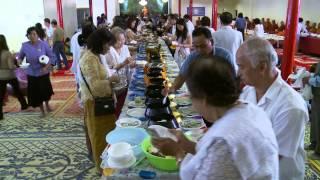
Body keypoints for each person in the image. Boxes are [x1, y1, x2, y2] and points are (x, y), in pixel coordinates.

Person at [153, 55, 279, 179]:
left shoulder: (223, 142)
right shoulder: (252, 110)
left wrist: (178, 153)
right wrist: (188, 145)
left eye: (191, 97)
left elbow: (215, 162)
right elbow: (211, 157)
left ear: (204, 99)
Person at [237, 37, 308, 180]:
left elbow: (270, 156)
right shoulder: (248, 92)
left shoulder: (291, 106)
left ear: (262, 67)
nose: (238, 72)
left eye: (241, 66)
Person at [79, 28, 119, 172]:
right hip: (95, 104)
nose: (109, 48)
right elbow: (95, 87)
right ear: (100, 42)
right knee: (99, 137)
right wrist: (110, 80)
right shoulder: (89, 59)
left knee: (107, 135)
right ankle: (102, 170)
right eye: (108, 44)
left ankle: (108, 163)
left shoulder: (95, 56)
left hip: (102, 102)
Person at [166, 27, 234, 95]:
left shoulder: (225, 56)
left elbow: (232, 81)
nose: (199, 50)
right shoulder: (193, 56)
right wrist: (172, 88)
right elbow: (182, 76)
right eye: (196, 46)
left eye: (203, 46)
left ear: (212, 42)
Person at [18, 27, 55, 117]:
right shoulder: (25, 45)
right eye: (30, 34)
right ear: (27, 36)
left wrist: (46, 67)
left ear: (37, 35)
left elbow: (51, 56)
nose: (32, 36)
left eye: (34, 34)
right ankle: (42, 110)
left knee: (45, 91)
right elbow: (20, 56)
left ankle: (47, 104)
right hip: (32, 73)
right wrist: (20, 62)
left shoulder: (44, 44)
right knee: (37, 93)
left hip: (43, 72)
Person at [105, 27, 135, 118]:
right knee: (115, 109)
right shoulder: (108, 51)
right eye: (119, 40)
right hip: (114, 86)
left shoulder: (125, 48)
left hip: (124, 83)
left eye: (123, 39)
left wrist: (132, 64)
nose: (122, 42)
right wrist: (124, 63)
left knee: (123, 107)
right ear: (112, 41)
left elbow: (129, 63)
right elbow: (110, 71)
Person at [0, 35, 28, 120]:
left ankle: (0, 114)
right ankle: (24, 105)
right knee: (17, 91)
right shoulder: (7, 53)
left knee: (0, 95)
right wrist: (17, 66)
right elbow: (11, 67)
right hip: (10, 75)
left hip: (0, 76)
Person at [303, 63, 320, 155]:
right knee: (315, 121)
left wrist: (310, 80)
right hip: (317, 96)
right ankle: (314, 143)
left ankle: (318, 151)